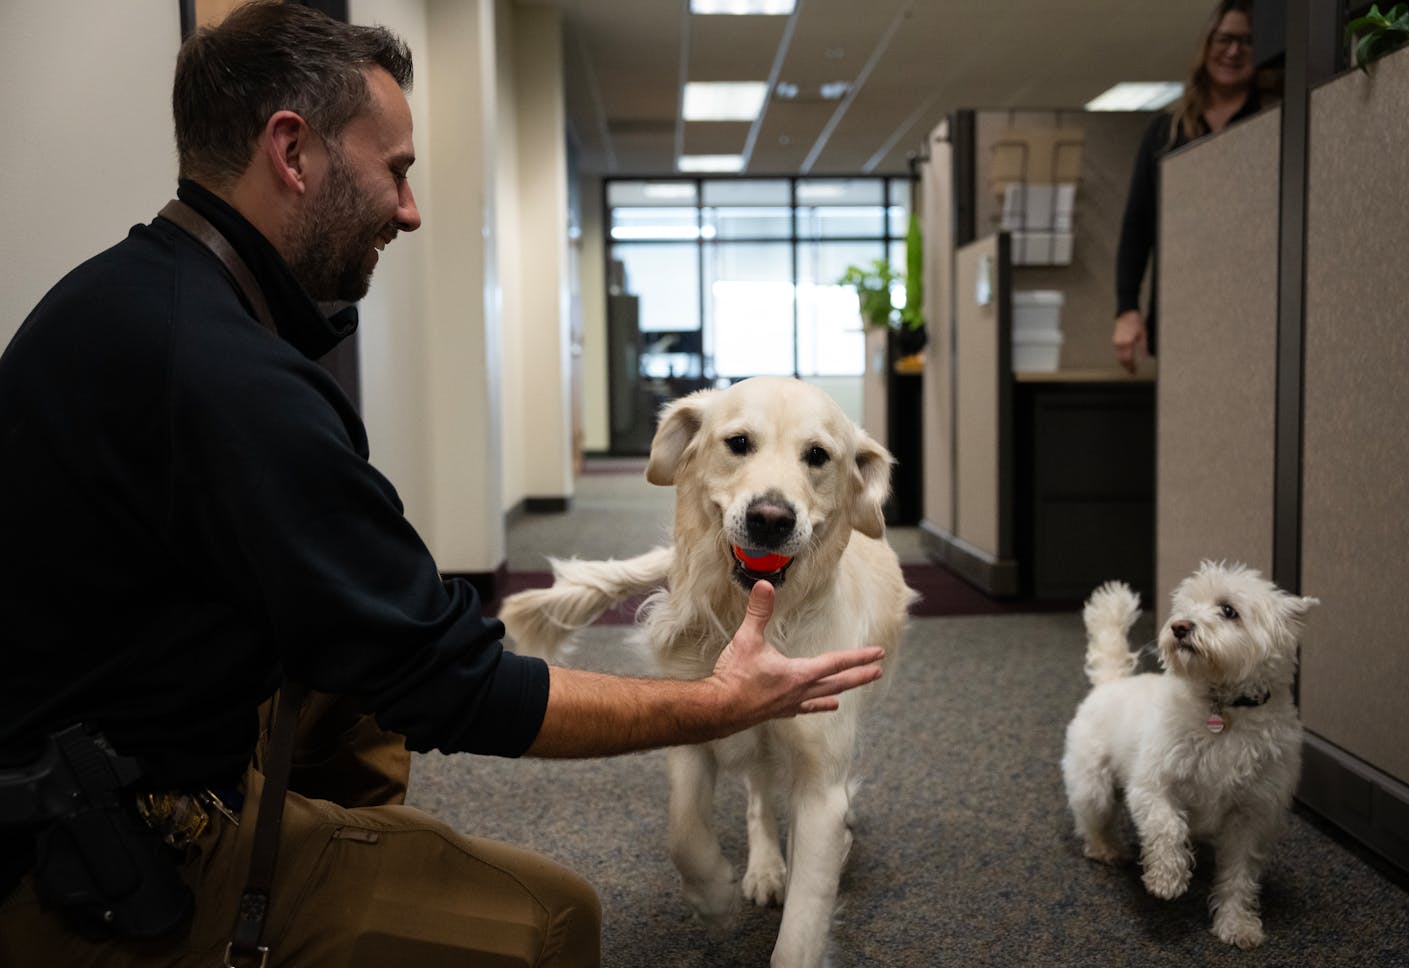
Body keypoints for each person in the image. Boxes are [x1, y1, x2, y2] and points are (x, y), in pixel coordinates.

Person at [0, 3, 884, 966]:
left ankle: (329, 872)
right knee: (553, 919)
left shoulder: (120, 295)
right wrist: (715, 706)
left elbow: (376, 627)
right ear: (293, 153)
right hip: (87, 855)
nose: (410, 208)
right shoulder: (230, 379)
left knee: (360, 708)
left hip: (80, 736)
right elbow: (459, 687)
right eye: (397, 169)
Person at [1113, 0, 1262, 374]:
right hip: (1179, 312)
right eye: (1224, 39)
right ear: (1206, 44)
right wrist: (1127, 309)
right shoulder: (1167, 131)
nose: (1233, 51)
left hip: (1256, 313)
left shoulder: (1273, 119)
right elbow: (1138, 225)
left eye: (1246, 41)